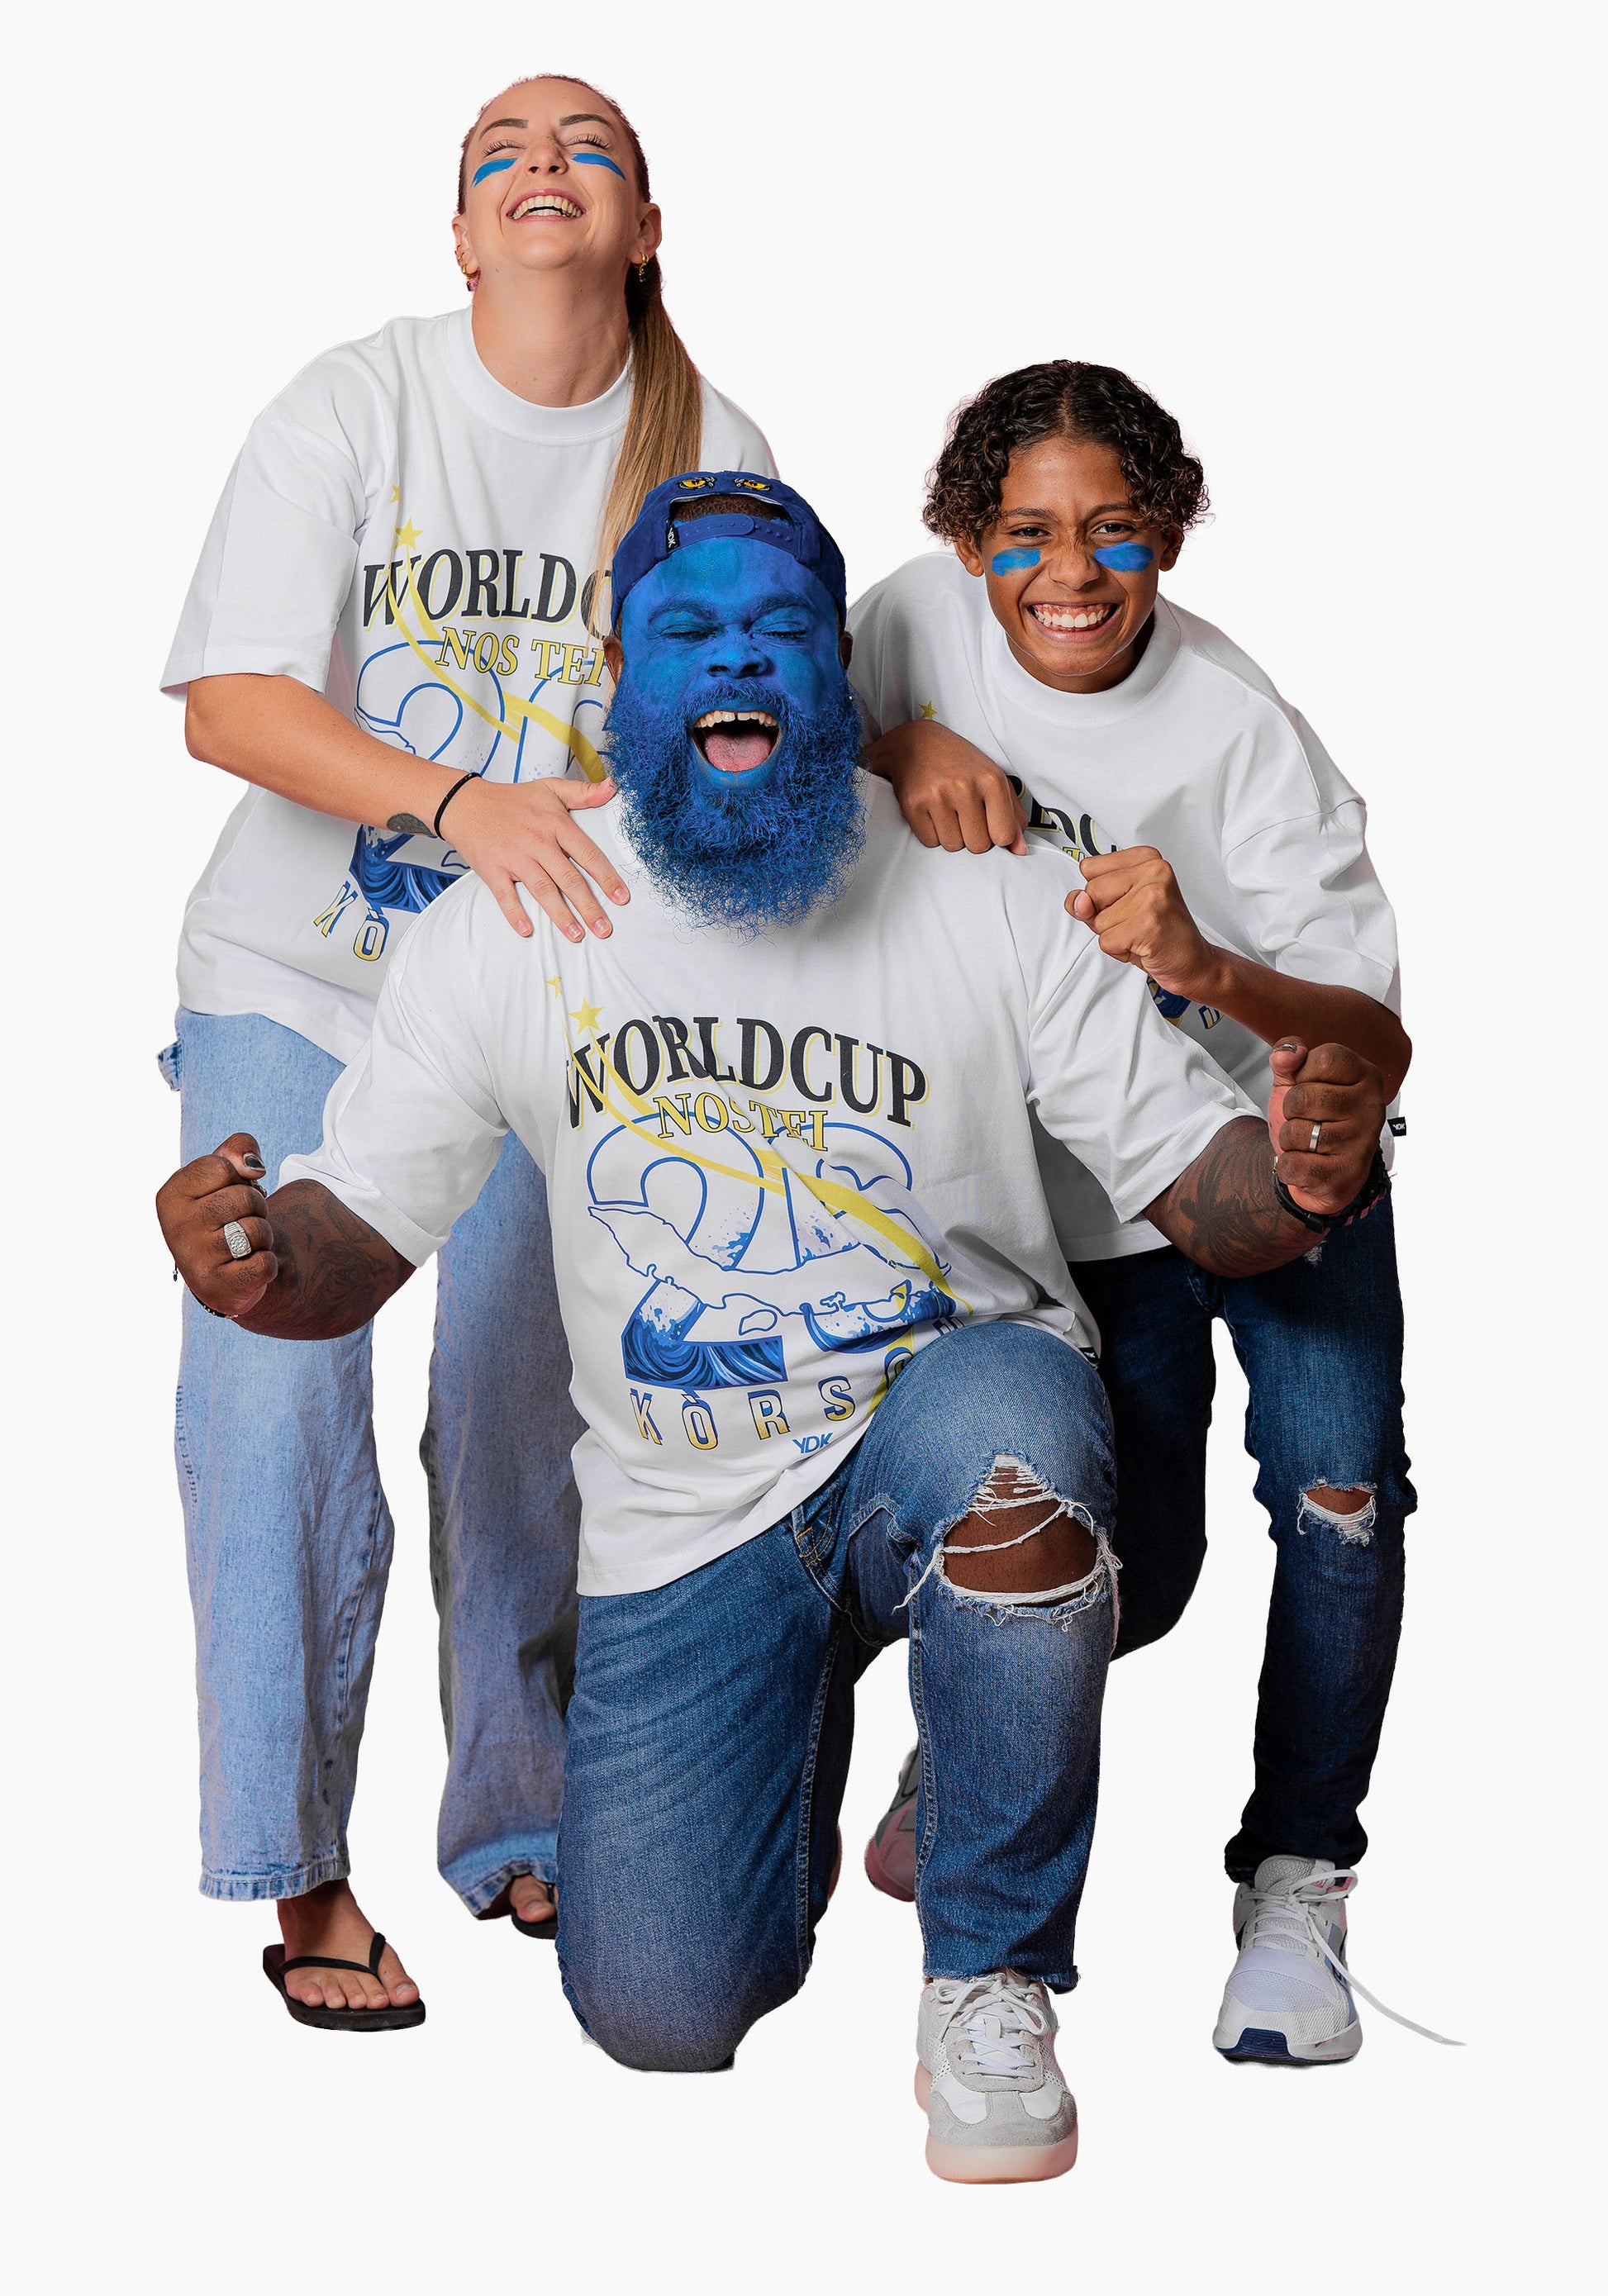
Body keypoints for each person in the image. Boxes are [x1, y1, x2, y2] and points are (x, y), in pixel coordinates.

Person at [157, 474, 1391, 2173]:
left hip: (944, 1418)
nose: (737, 655)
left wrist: (1307, 1177)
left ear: (838, 672)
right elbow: (349, 1243)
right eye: (687, 628)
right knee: (660, 2010)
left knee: (1013, 1439)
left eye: (780, 628)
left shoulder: (992, 896)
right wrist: (248, 1257)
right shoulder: (512, 922)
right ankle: (787, 1738)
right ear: (619, 677)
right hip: (688, 1519)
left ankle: (989, 1972)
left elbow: (1203, 1194)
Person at [158, 74, 773, 2025]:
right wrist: (461, 799)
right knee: (271, 1387)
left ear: (644, 227)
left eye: (585, 145)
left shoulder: (709, 448)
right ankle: (297, 1862)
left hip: (534, 995)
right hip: (300, 971)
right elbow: (230, 706)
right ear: (456, 232)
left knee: (520, 1387)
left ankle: (516, 1801)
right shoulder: (359, 401)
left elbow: (749, 720)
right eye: (497, 149)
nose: (538, 162)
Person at [849, 361, 1416, 2066]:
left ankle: (1297, 1880)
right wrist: (900, 738)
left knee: (1336, 1492)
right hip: (1086, 1187)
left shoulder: (1234, 725)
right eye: (1025, 534)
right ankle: (977, 1725)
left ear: (1165, 535)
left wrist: (1202, 964)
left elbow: (1373, 1033)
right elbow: (765, 738)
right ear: (966, 539)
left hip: (1279, 1150)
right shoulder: (908, 627)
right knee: (1132, 1568)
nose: (1070, 572)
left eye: (1113, 531)